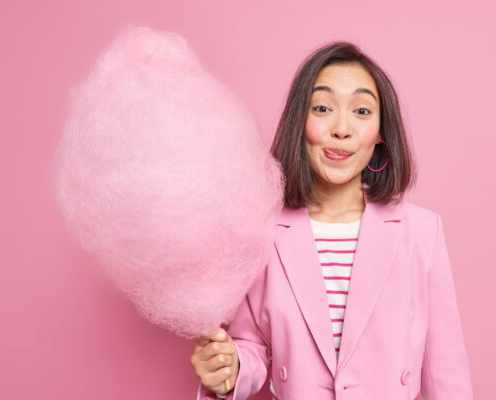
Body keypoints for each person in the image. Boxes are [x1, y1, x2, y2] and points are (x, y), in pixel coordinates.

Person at [190, 41, 474, 400]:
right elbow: (253, 347)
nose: (341, 128)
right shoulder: (262, 231)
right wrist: (230, 370)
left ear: (381, 134)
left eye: (361, 111)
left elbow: (445, 371)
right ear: (300, 123)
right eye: (323, 107)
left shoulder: (421, 232)